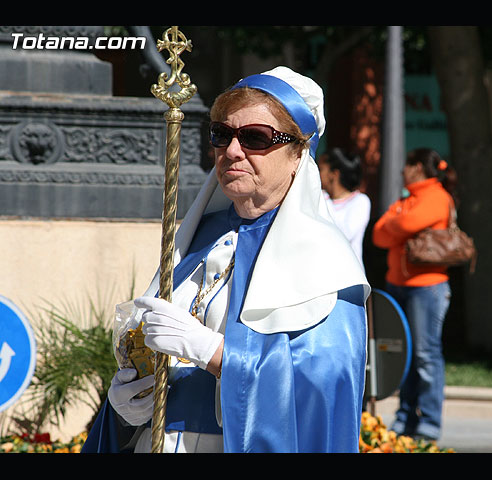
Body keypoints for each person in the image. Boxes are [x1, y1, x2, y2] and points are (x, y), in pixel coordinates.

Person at [82, 66, 370, 453]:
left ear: (298, 153)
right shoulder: (199, 236)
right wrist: (124, 409)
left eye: (255, 138)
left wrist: (214, 353)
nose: (232, 151)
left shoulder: (326, 261)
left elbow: (323, 390)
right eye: (222, 134)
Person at [372, 147, 457, 443]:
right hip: (398, 285)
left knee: (425, 355)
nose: (401, 171)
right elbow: (379, 234)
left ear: (418, 167)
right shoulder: (409, 198)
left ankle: (430, 423)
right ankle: (405, 418)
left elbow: (401, 224)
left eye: (406, 165)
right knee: (404, 357)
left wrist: (398, 224)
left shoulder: (436, 195)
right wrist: (399, 226)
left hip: (428, 288)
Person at [318, 148, 371, 266]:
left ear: (334, 174)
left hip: (351, 277)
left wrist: (323, 196)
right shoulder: (321, 198)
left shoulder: (361, 201)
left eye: (321, 169)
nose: (317, 173)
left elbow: (344, 234)